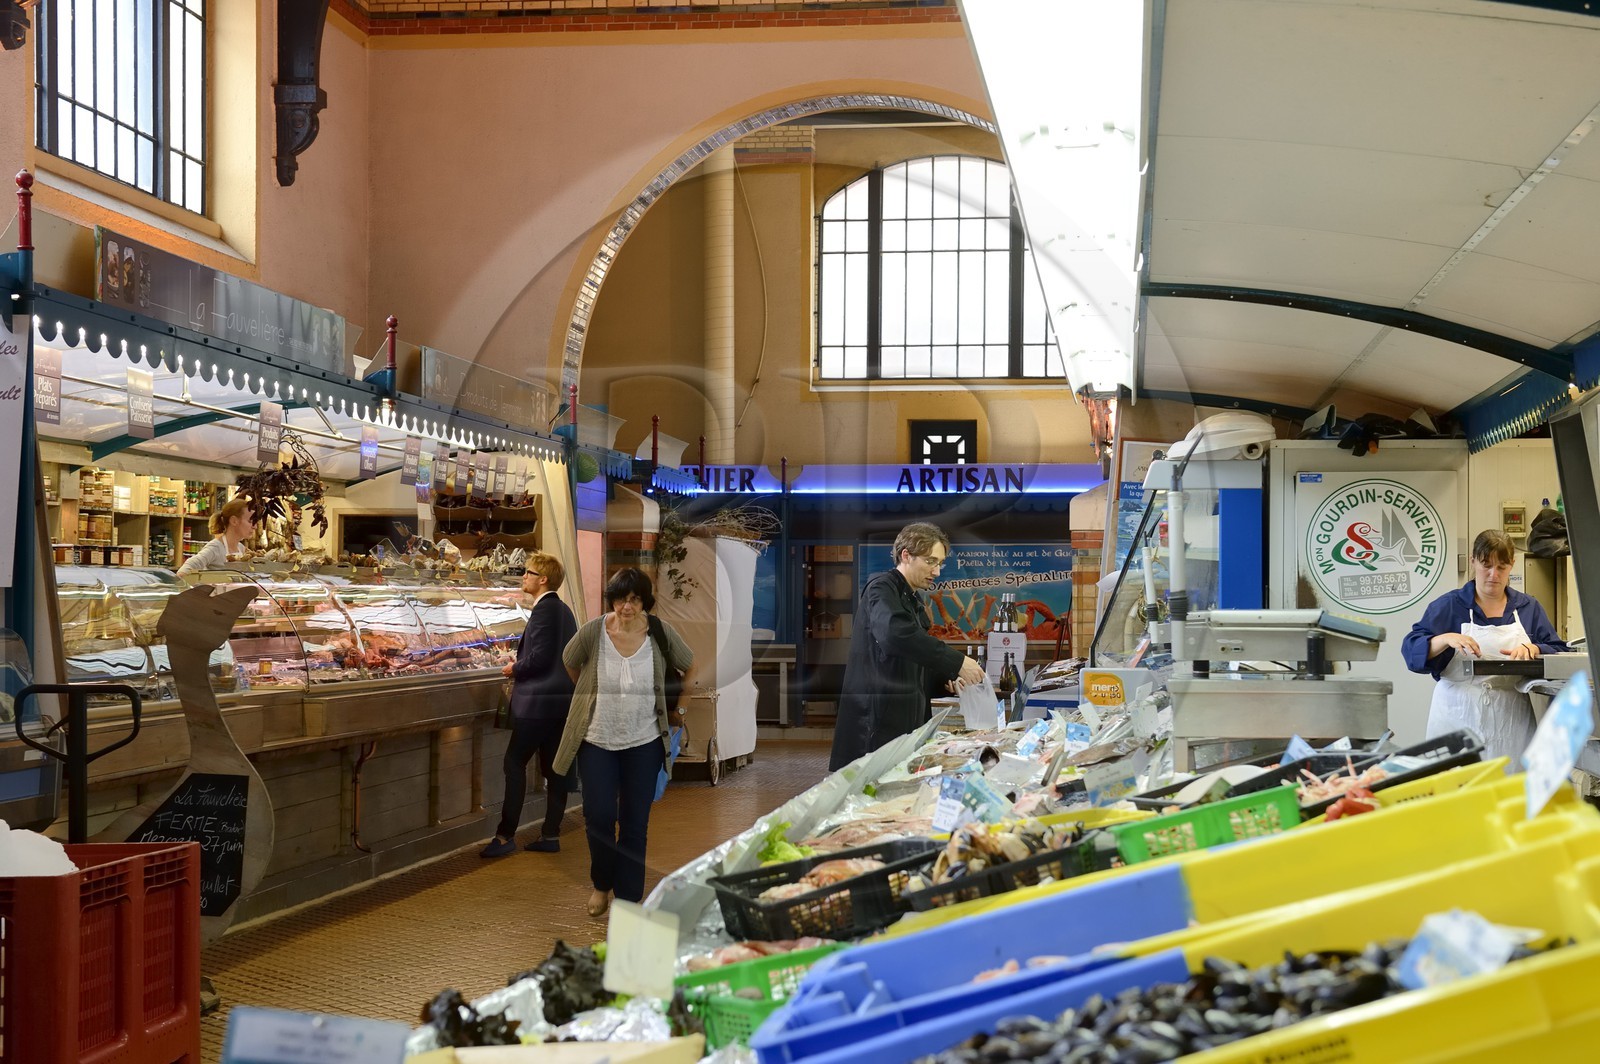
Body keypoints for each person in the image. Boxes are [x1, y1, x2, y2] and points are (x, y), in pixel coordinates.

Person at [556, 567, 693, 917]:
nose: (626, 607)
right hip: (596, 740)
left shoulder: (660, 632)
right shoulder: (594, 631)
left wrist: (680, 707)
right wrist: (588, 697)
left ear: (644, 601)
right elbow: (570, 663)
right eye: (620, 598)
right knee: (598, 817)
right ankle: (602, 884)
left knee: (635, 823)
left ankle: (629, 899)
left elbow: (689, 664)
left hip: (644, 742)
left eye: (634, 599)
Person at [829, 522, 985, 771]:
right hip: (877, 724)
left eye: (940, 563)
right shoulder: (881, 588)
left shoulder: (912, 597)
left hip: (905, 721)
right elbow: (896, 636)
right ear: (906, 555)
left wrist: (944, 679)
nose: (937, 572)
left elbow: (911, 659)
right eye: (930, 561)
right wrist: (956, 661)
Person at [1401, 529, 1568, 761]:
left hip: (1511, 718)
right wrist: (1444, 639)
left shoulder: (1528, 607)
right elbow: (1411, 651)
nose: (1493, 574)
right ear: (1472, 562)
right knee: (1457, 787)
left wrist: (1535, 649)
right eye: (1485, 565)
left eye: (1501, 567)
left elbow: (1560, 649)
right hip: (1456, 714)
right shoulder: (1449, 606)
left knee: (1510, 789)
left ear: (1512, 564)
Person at [481, 551, 578, 858]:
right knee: (554, 769)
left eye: (528, 572)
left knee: (514, 763)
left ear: (543, 579)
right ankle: (550, 835)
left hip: (537, 703)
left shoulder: (544, 610)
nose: (523, 576)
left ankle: (505, 836)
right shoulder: (565, 611)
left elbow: (541, 658)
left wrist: (514, 668)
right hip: (560, 703)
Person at [176, 498, 254, 576]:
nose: (255, 526)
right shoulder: (215, 548)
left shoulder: (242, 549)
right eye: (250, 521)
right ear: (234, 521)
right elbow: (185, 570)